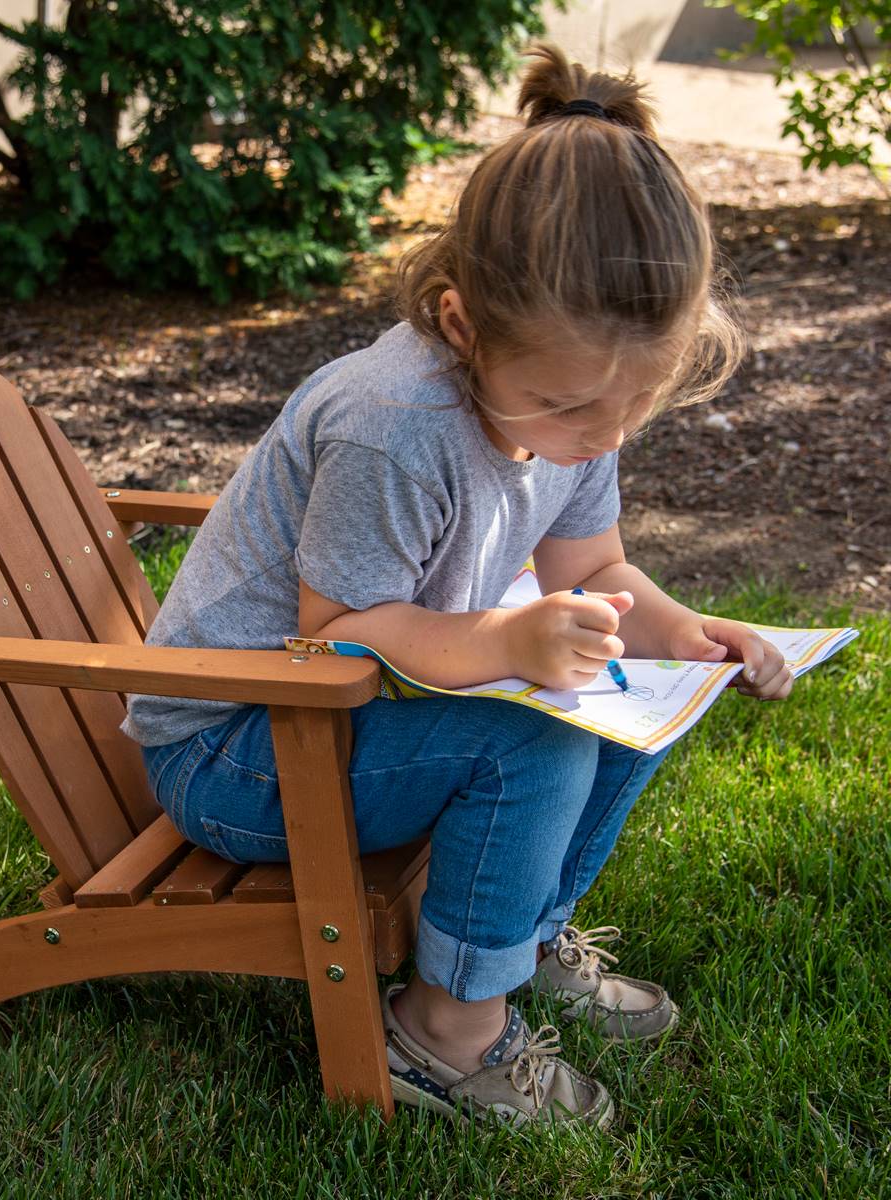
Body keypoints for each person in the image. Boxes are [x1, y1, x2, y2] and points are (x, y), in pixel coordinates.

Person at [121, 44, 794, 1129]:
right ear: (462, 321)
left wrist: (685, 632)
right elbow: (334, 635)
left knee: (628, 698)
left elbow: (597, 567)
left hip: (355, 715)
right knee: (534, 735)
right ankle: (446, 1030)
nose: (601, 439)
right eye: (572, 411)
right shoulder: (396, 428)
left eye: (631, 411)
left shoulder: (574, 396)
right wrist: (508, 645)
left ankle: (516, 936)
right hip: (241, 744)